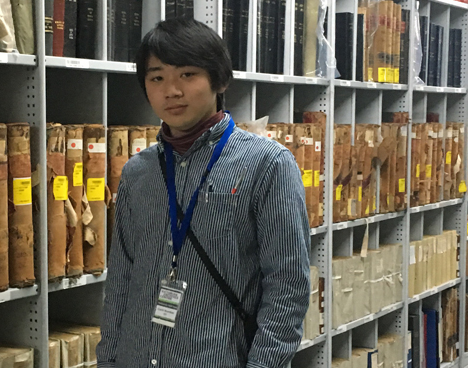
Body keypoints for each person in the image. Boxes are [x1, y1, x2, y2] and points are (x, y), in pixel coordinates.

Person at [96, 18, 311, 368]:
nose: (172, 90)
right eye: (157, 78)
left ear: (220, 80)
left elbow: (287, 287)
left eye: (187, 74)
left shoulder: (267, 164)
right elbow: (121, 280)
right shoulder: (137, 173)